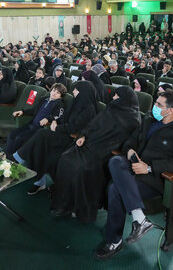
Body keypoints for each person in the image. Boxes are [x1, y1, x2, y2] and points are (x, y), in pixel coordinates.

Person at [95, 90, 173, 259]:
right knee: (114, 161)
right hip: (135, 167)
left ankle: (114, 241)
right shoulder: (150, 119)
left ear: (170, 110)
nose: (154, 107)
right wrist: (130, 152)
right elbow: (131, 140)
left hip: (156, 177)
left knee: (115, 190)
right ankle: (139, 218)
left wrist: (149, 168)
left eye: (159, 105)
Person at [50, 86, 141, 222]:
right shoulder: (111, 108)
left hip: (106, 152)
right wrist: (83, 136)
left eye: (117, 96)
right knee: (65, 158)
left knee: (79, 166)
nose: (114, 98)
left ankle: (80, 207)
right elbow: (93, 125)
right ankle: (64, 204)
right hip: (90, 143)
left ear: (125, 99)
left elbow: (125, 141)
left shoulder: (133, 119)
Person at [16, 81, 99, 195]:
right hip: (63, 132)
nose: (73, 91)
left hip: (72, 139)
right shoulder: (76, 102)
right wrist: (55, 121)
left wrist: (57, 128)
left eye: (76, 89)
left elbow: (75, 127)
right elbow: (63, 117)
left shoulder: (88, 109)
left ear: (83, 92)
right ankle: (39, 180)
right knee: (41, 144)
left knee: (41, 135)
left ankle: (19, 158)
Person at [5, 83, 66, 160]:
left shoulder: (59, 104)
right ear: (50, 91)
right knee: (12, 134)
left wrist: (48, 119)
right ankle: (7, 156)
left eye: (58, 93)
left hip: (39, 129)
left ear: (60, 96)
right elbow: (34, 110)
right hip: (31, 125)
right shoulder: (44, 99)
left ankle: (12, 159)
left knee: (19, 138)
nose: (54, 93)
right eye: (54, 90)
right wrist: (23, 111)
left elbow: (59, 115)